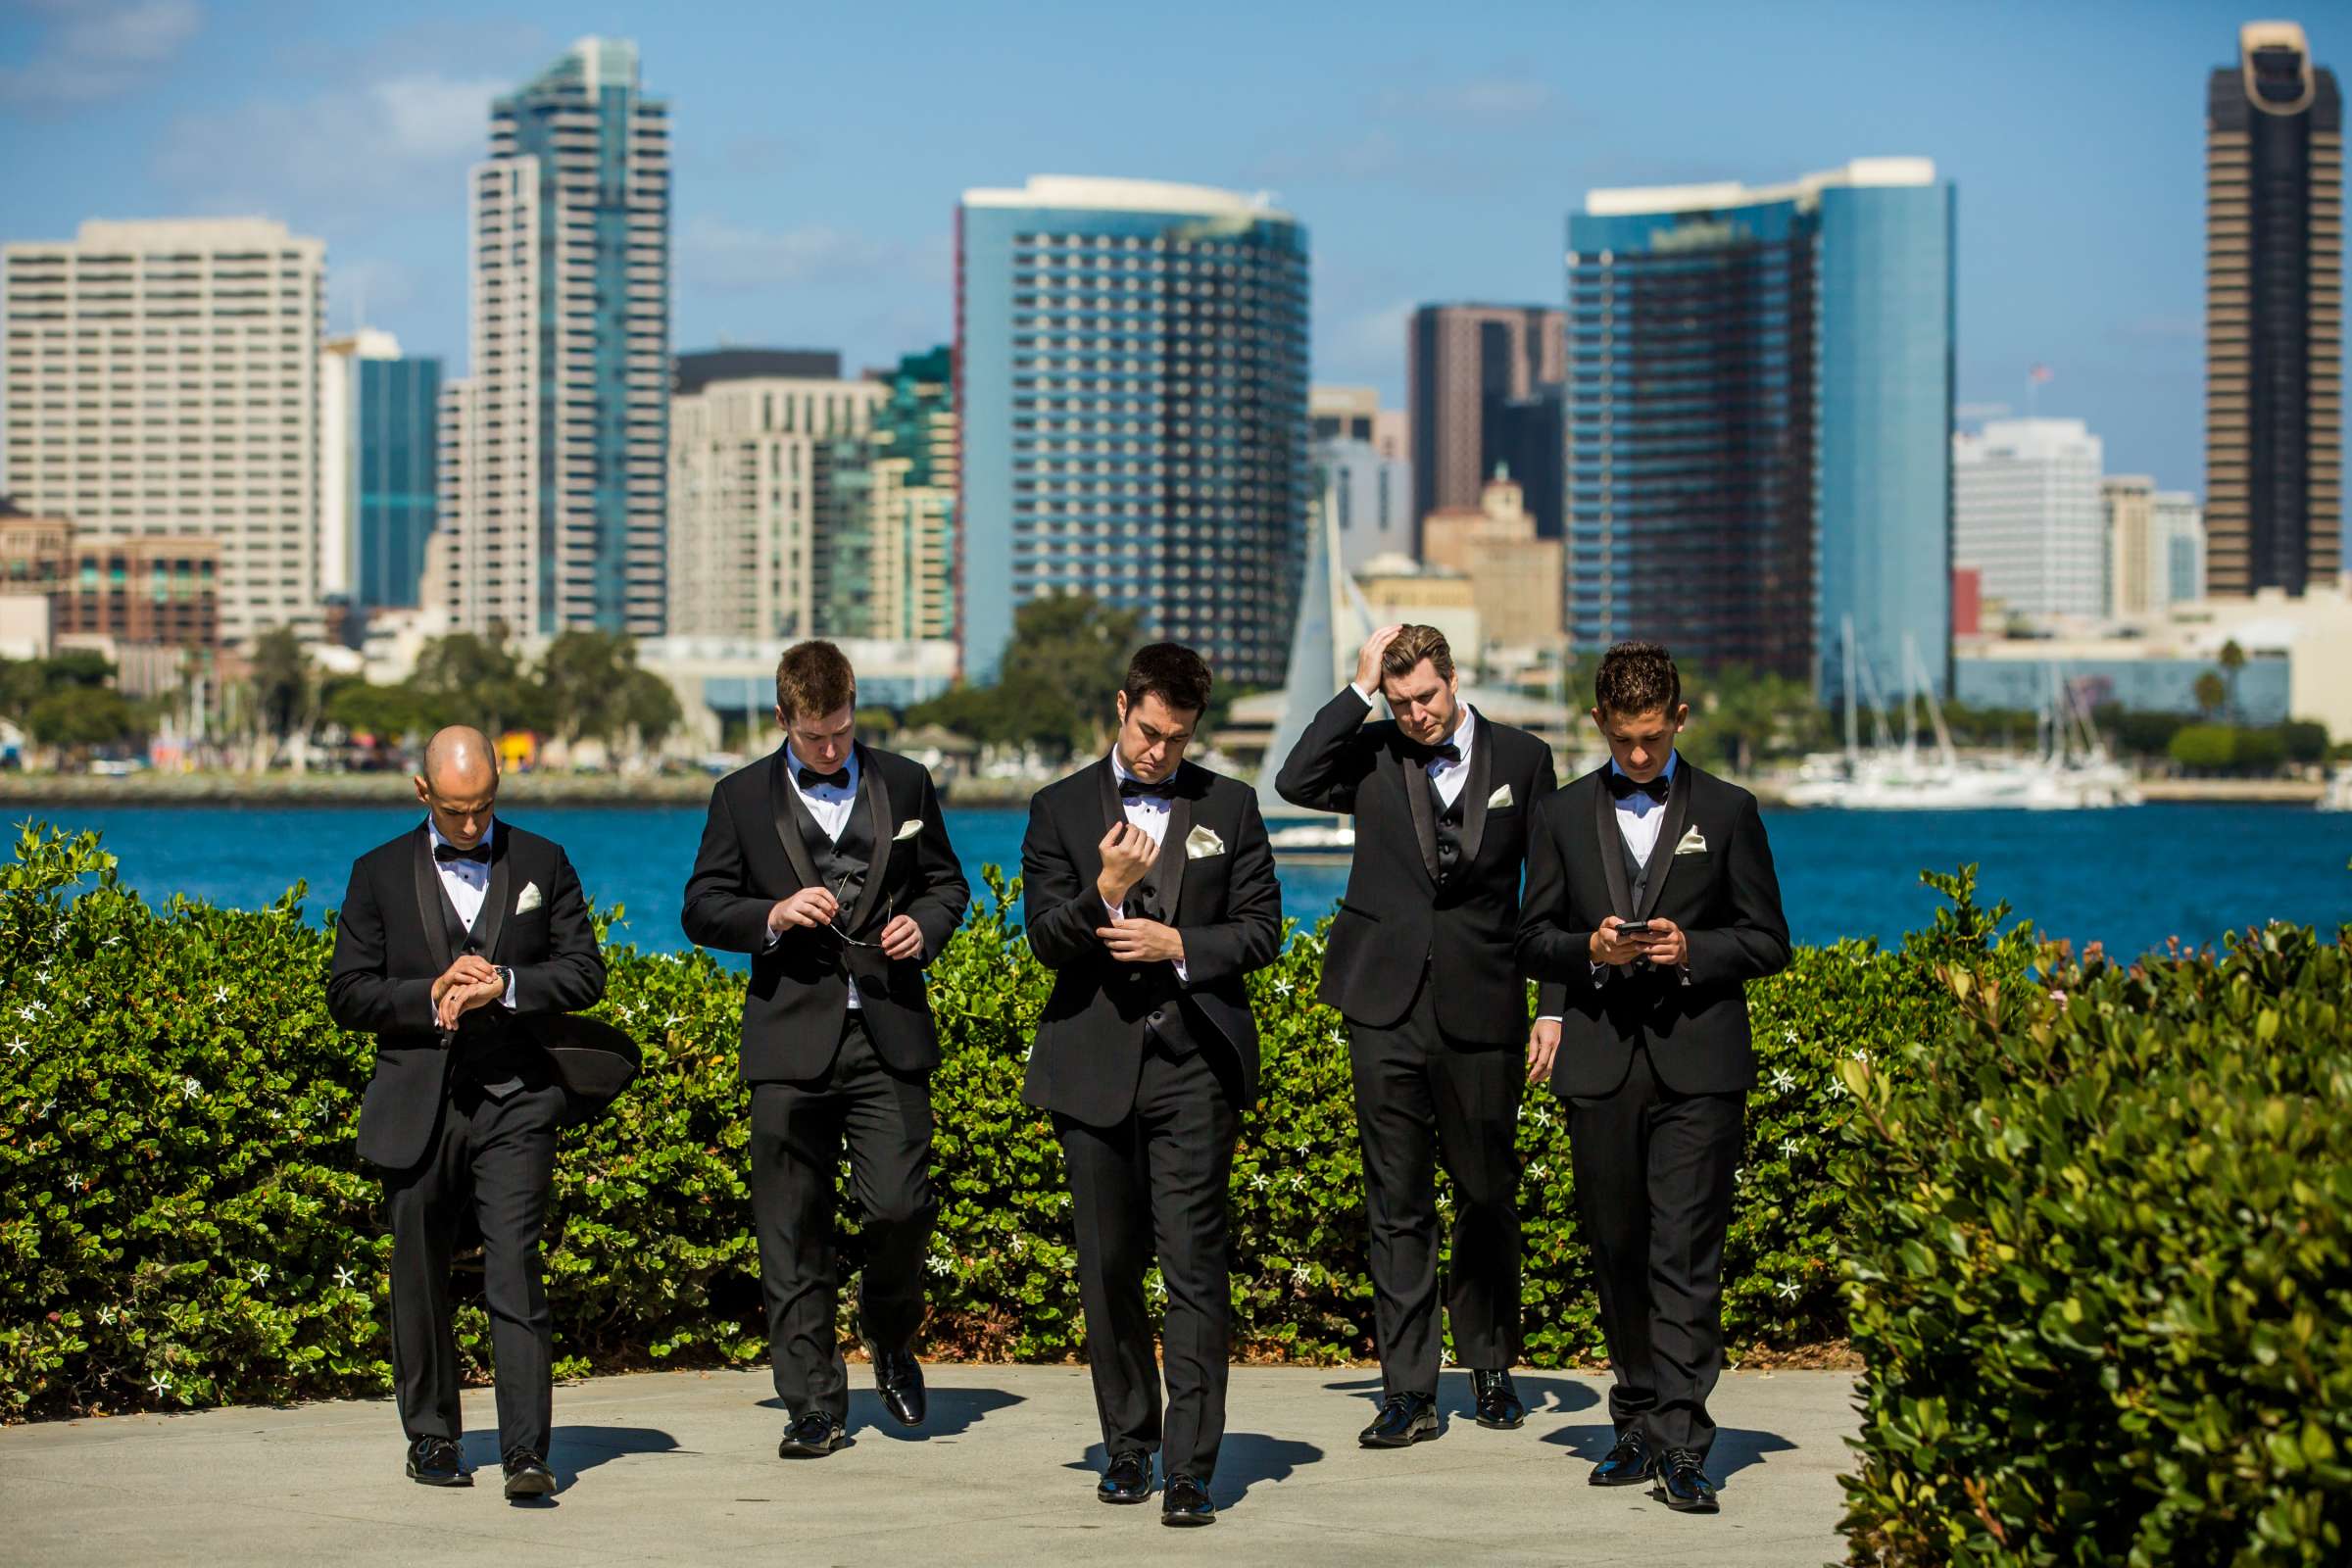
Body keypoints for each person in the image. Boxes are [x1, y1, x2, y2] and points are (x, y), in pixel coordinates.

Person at [1516, 641, 1790, 1514]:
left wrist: (1692, 950)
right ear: (1599, 724)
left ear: (1680, 718)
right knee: (1619, 1251)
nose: (1639, 755)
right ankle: (1633, 1419)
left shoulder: (1732, 808)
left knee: (1684, 1255)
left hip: (1699, 1064)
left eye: (1652, 738)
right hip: (1599, 1063)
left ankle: (1682, 1437)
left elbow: (1769, 940)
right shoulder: (1558, 815)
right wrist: (1587, 952)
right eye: (1624, 739)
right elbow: (1530, 940)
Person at [1275, 623, 1566, 1446]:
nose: (1416, 716)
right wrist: (1359, 687)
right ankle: (1407, 1390)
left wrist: (1553, 1004)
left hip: (1486, 1005)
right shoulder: (1368, 750)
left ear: (1454, 680)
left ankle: (1490, 1361)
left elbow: (1552, 890)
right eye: (1400, 702)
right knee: (1395, 1201)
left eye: (1426, 698)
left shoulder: (1525, 758)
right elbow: (1293, 778)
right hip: (1383, 1004)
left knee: (1487, 1193)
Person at [681, 639, 970, 1459]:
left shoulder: (907, 783)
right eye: (816, 738)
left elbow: (948, 884)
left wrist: (929, 925)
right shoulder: (736, 797)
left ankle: (889, 1337)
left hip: (888, 1032)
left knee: (900, 1209)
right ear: (783, 720)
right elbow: (702, 908)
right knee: (791, 1228)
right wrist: (770, 916)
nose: (833, 749)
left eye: (843, 732)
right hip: (787, 1038)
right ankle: (811, 1403)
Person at [1020, 643, 1280, 1527]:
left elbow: (1263, 930)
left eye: (1175, 739)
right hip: (1091, 1066)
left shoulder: (1232, 806)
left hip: (1194, 1067)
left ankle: (1190, 1467)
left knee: (1197, 1272)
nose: (1157, 753)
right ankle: (1128, 1447)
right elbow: (1045, 940)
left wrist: (1181, 948)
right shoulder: (1056, 808)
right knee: (1108, 1271)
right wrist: (1104, 891)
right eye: (1146, 731)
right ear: (1121, 705)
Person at [325, 725, 607, 1497]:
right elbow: (347, 993)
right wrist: (426, 995)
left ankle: (525, 1454)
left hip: (516, 1098)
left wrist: (508, 985)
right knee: (417, 1274)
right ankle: (432, 1437)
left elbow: (585, 973)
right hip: (415, 1101)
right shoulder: (376, 873)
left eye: (485, 807)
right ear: (423, 794)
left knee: (514, 1270)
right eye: (456, 813)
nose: (474, 826)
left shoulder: (543, 862)